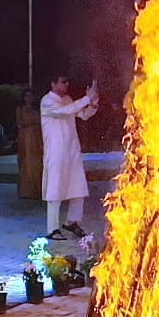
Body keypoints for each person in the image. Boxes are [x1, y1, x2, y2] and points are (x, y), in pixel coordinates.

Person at [41, 73, 98, 238]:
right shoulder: (47, 101)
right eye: (63, 82)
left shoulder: (67, 99)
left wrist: (93, 103)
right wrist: (87, 98)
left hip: (71, 151)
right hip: (56, 152)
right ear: (53, 84)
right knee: (55, 189)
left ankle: (72, 222)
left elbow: (83, 115)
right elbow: (66, 111)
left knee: (78, 187)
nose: (66, 85)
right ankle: (52, 229)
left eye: (67, 82)